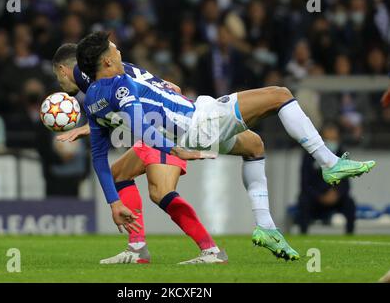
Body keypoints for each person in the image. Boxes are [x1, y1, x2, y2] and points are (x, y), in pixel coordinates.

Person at [76, 31, 376, 254]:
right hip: (200, 121)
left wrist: (114, 202)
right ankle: (329, 163)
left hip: (193, 127)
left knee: (255, 145)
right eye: (115, 49)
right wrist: (174, 150)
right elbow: (140, 123)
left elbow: (99, 157)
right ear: (106, 59)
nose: (119, 51)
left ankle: (266, 227)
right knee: (281, 94)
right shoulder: (119, 85)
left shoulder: (93, 100)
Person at [52, 44, 228, 264]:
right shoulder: (103, 75)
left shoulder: (90, 75)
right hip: (151, 130)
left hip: (163, 128)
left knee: (160, 192)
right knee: (119, 174)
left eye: (57, 76)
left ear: (62, 69)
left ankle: (211, 250)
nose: (59, 83)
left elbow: (130, 98)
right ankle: (137, 248)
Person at [297, 123, 356, 234]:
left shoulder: (343, 155)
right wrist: (319, 196)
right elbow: (304, 183)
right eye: (327, 139)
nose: (331, 142)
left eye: (334, 139)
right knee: (303, 201)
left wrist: (336, 194)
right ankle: (303, 234)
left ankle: (350, 234)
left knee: (349, 203)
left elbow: (345, 183)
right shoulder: (309, 155)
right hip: (315, 197)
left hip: (335, 198)